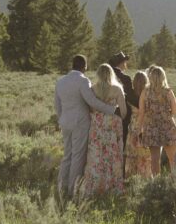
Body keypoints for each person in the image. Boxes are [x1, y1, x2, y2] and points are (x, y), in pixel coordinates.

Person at [54, 55, 121, 199]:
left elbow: (57, 106)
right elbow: (92, 101)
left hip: (65, 122)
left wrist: (62, 119)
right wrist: (112, 110)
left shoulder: (60, 82)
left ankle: (61, 187)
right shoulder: (83, 81)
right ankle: (73, 190)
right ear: (84, 66)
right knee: (78, 155)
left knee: (67, 155)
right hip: (80, 122)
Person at [82, 64, 127, 197]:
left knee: (97, 157)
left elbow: (90, 109)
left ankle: (95, 187)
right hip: (113, 128)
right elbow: (123, 112)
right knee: (113, 156)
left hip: (97, 127)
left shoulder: (92, 89)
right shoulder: (117, 89)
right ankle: (113, 188)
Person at [138, 65, 176, 175]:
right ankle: (175, 180)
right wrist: (165, 114)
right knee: (172, 158)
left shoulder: (145, 92)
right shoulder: (168, 92)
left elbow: (141, 112)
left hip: (151, 127)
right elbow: (175, 111)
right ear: (163, 77)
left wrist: (139, 128)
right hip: (167, 127)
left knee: (155, 159)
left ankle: (156, 183)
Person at [109, 52, 139, 152]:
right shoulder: (125, 78)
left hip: (107, 113)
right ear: (121, 63)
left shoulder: (106, 77)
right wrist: (141, 104)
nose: (126, 64)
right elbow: (130, 97)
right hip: (123, 113)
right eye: (125, 62)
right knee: (122, 141)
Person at [125, 70, 152, 178]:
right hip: (146, 126)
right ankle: (146, 177)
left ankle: (130, 177)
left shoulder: (129, 95)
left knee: (132, 155)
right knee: (145, 155)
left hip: (133, 126)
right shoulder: (149, 94)